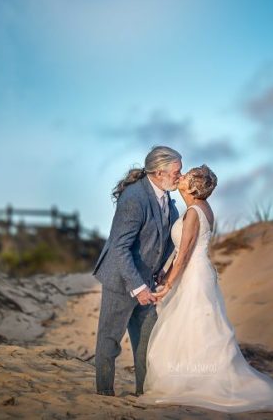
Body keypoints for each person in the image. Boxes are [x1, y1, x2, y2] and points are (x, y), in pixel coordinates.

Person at [137, 165, 273, 413]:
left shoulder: (194, 212)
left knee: (196, 327)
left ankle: (196, 381)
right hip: (198, 271)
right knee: (197, 328)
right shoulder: (200, 209)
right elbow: (182, 251)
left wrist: (168, 284)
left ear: (192, 187)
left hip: (193, 274)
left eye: (185, 177)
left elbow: (185, 254)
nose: (180, 178)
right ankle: (192, 378)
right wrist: (166, 270)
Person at [91, 145, 182, 396]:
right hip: (121, 280)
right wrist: (138, 287)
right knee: (109, 342)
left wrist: (162, 271)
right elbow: (120, 247)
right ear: (158, 172)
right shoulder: (134, 198)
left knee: (147, 344)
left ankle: (145, 394)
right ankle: (104, 395)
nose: (180, 176)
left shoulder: (170, 203)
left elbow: (163, 242)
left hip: (147, 284)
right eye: (176, 171)